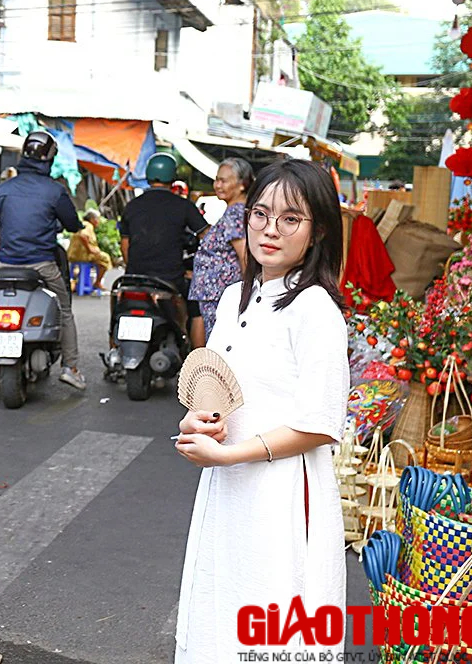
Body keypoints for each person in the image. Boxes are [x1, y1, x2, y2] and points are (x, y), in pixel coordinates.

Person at [172, 159, 349, 662]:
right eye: (261, 214)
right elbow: (220, 392)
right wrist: (197, 422)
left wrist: (230, 456)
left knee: (273, 619)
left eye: (291, 218)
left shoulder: (315, 309)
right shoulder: (232, 299)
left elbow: (319, 425)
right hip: (228, 489)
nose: (270, 229)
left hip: (282, 494)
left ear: (316, 233)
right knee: (220, 608)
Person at [0, 131, 87, 389]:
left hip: (3, 266)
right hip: (41, 266)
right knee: (65, 311)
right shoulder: (54, 191)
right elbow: (72, 224)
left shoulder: (3, 189)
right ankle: (70, 367)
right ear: (49, 158)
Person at [120, 153, 208, 324]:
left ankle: (113, 347)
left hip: (134, 278)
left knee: (119, 310)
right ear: (173, 176)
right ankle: (194, 348)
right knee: (196, 308)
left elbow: (125, 246)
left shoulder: (132, 206)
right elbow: (208, 236)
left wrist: (134, 269)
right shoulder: (184, 206)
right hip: (171, 278)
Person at [188, 158, 253, 345]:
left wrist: (246, 295)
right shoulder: (233, 211)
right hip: (215, 294)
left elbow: (244, 256)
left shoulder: (235, 214)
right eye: (216, 180)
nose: (217, 185)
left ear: (242, 185)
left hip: (220, 295)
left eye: (223, 180)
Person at [66, 208, 112, 281]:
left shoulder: (82, 223)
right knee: (106, 258)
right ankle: (98, 282)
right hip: (82, 255)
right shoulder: (88, 225)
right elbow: (83, 235)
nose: (98, 221)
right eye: (97, 219)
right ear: (92, 219)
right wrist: (89, 248)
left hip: (73, 254)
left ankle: (83, 280)